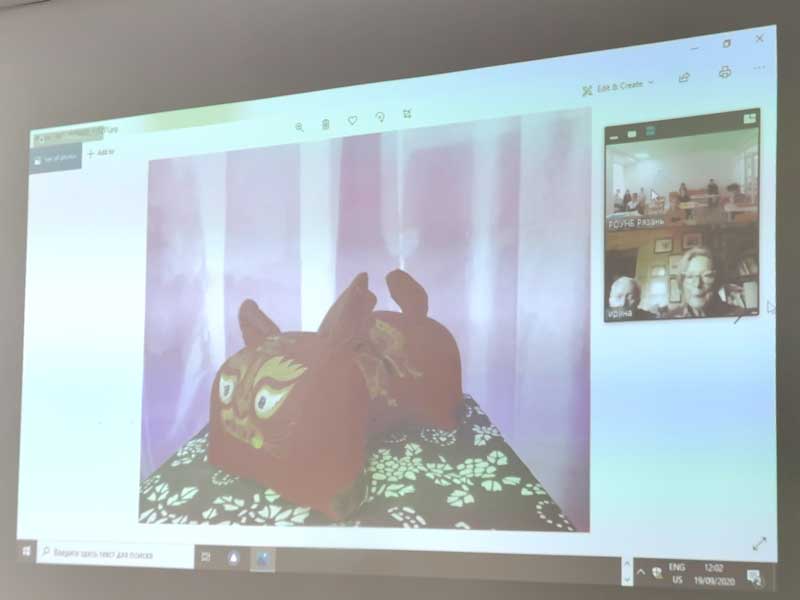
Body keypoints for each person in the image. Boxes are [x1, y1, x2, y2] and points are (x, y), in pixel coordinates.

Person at [668, 246, 742, 318]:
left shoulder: (740, 317)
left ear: (718, 281)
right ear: (682, 283)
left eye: (707, 276)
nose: (697, 284)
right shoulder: (669, 319)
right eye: (690, 276)